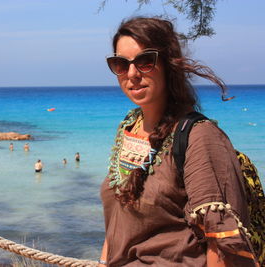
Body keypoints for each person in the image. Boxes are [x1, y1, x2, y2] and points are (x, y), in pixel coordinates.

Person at [99, 17, 257, 267]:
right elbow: (117, 221)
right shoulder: (128, 127)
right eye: (120, 64)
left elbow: (223, 245)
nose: (132, 74)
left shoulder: (199, 137)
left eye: (145, 62)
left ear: (168, 63)